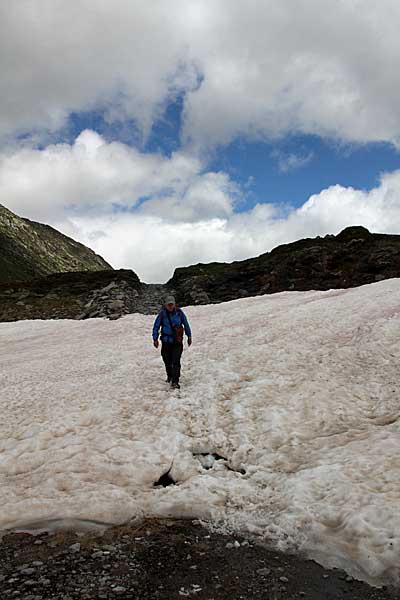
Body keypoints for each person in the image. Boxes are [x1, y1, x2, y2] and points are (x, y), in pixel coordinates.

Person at [152, 295, 192, 389]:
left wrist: (189, 336)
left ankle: (175, 381)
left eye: (172, 304)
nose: (170, 306)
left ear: (174, 304)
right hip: (166, 342)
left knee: (176, 361)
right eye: (168, 304)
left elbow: (186, 324)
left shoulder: (179, 313)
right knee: (167, 360)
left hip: (177, 342)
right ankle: (170, 376)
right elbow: (156, 327)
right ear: (165, 305)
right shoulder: (162, 314)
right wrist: (155, 339)